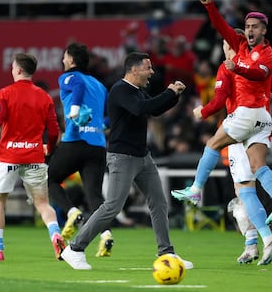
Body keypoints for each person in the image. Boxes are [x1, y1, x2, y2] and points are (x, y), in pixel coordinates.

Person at [60, 52, 193, 270]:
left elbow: (155, 110)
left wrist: (174, 94)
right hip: (122, 157)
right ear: (133, 70)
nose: (152, 72)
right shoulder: (120, 90)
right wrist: (168, 92)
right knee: (112, 206)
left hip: (142, 156)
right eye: (147, 67)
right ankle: (74, 249)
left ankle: (166, 253)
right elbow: (142, 109)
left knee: (158, 202)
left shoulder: (137, 91)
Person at [172, 0, 272, 227]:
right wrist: (210, 7)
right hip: (263, 121)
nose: (249, 31)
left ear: (264, 30)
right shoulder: (240, 48)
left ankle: (196, 190)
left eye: (255, 27)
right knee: (258, 167)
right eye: (247, 26)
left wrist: (204, 111)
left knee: (212, 145)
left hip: (246, 114)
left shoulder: (265, 55)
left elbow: (258, 74)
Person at [192, 31, 272, 265]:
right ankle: (252, 245)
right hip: (262, 124)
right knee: (242, 191)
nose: (224, 49)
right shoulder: (261, 69)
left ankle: (267, 239)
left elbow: (220, 100)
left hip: (239, 131)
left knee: (244, 192)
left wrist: (204, 111)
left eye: (226, 45)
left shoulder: (231, 67)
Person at [0, 53, 64, 261]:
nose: (12, 70)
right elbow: (54, 129)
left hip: (8, 157)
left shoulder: (5, 93)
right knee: (43, 204)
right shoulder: (45, 96)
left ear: (18, 70)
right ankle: (55, 234)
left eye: (12, 68)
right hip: (35, 156)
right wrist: (49, 147)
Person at [47, 42, 113, 257]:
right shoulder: (100, 86)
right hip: (97, 146)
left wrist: (74, 110)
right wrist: (101, 126)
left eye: (65, 56)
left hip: (75, 141)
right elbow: (109, 114)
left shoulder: (68, 77)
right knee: (94, 194)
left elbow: (77, 86)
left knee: (49, 179)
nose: (63, 60)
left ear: (71, 60)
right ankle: (106, 234)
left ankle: (72, 212)